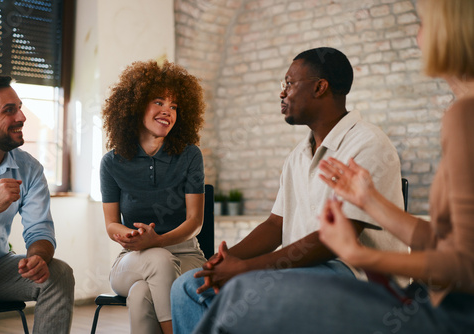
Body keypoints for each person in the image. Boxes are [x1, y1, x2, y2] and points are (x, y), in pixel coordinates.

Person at [193, 1, 474, 333]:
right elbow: (442, 243)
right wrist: (371, 201)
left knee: (242, 291)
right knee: (193, 289)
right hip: (432, 300)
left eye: (424, 23)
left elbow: (464, 267)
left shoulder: (462, 118)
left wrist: (359, 254)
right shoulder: (460, 115)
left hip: (446, 315)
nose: (417, 35)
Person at [171, 47, 408, 334]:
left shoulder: (367, 144)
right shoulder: (298, 155)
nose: (282, 93)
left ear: (320, 87)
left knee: (246, 287)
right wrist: (222, 261)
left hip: (355, 274)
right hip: (301, 270)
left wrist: (247, 269)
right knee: (188, 286)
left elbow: (335, 240)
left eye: (289, 83)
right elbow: (275, 224)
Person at [100, 60, 207, 334]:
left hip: (186, 256)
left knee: (140, 295)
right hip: (134, 258)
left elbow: (195, 221)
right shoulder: (112, 163)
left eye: (173, 106)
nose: (167, 111)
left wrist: (158, 240)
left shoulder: (190, 155)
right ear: (135, 107)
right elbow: (111, 224)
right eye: (158, 102)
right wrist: (132, 237)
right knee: (157, 259)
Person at [0, 76, 74, 333]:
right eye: (9, 110)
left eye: (19, 107)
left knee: (58, 274)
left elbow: (40, 229)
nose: (22, 116)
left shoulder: (29, 169)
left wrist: (38, 258)